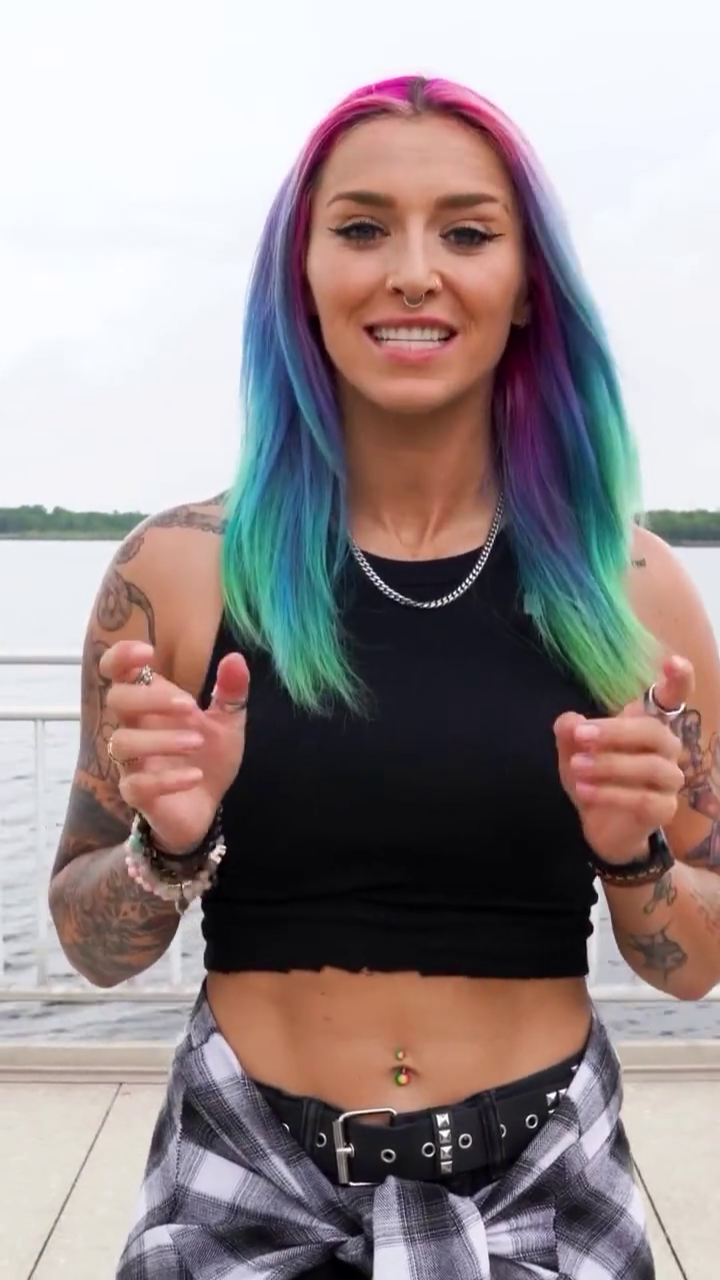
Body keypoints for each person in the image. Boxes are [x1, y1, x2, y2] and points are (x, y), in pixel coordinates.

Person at [48, 75, 720, 1279]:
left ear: (527, 286)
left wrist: (636, 856)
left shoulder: (634, 589)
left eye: (466, 232)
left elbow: (700, 960)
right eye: (362, 228)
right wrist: (170, 842)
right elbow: (94, 945)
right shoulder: (179, 571)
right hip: (244, 1181)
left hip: (546, 1193)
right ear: (302, 276)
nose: (414, 272)